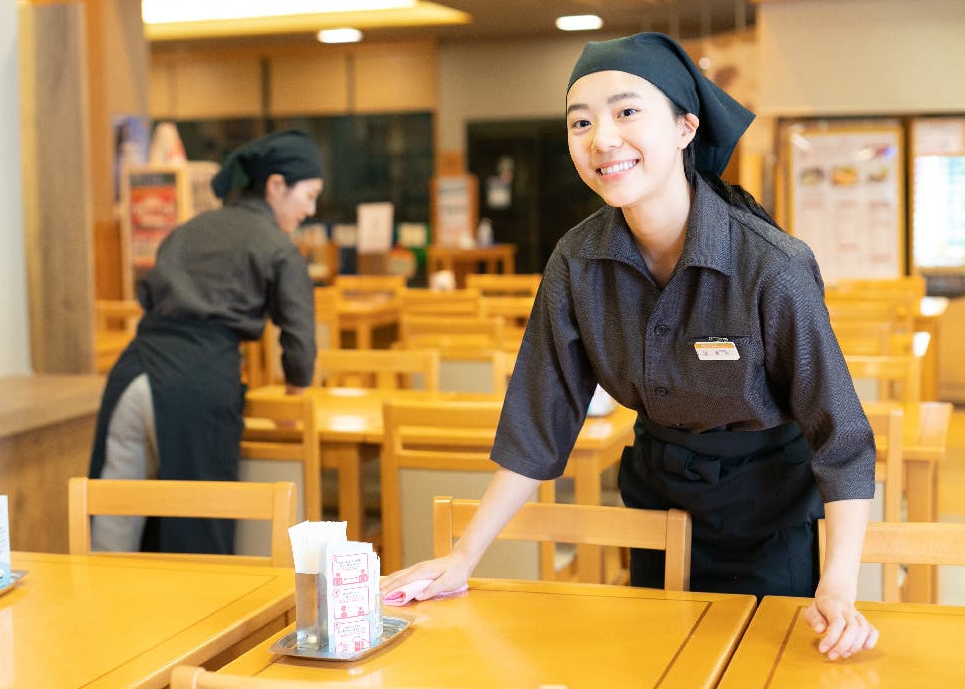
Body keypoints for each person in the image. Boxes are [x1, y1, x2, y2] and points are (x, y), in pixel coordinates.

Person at [381, 33, 879, 660]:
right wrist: (462, 556)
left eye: (626, 112)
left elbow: (843, 438)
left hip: (769, 520)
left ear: (684, 128)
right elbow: (540, 419)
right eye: (581, 122)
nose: (602, 139)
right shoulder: (577, 261)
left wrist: (837, 584)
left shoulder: (771, 266)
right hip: (653, 509)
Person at [87, 129, 324, 555]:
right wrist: (295, 397)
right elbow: (299, 335)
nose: (311, 209)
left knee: (115, 527)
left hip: (131, 375)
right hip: (194, 387)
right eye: (308, 195)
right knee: (199, 540)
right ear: (275, 186)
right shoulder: (277, 247)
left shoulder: (190, 229)